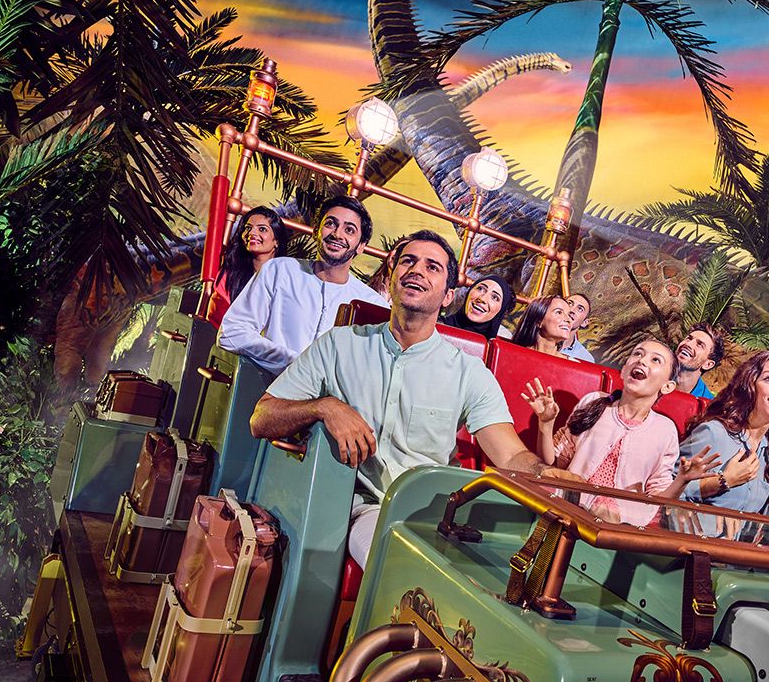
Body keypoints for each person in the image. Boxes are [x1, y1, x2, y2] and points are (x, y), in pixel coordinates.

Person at [250, 229, 557, 567]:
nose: (417, 270)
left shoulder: (469, 372)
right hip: (368, 511)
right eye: (408, 261)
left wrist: (547, 474)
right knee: (398, 567)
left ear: (447, 296)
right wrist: (325, 406)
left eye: (432, 267)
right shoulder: (339, 344)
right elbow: (261, 419)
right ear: (393, 276)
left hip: (438, 517)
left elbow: (510, 454)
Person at [520, 338, 685, 526]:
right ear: (623, 371)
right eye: (638, 353)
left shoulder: (665, 429)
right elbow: (552, 463)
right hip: (568, 508)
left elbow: (659, 500)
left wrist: (683, 480)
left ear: (668, 386)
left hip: (619, 526)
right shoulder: (594, 402)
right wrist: (546, 423)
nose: (642, 360)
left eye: (656, 360)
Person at [219, 195, 388, 375]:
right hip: (268, 393)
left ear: (361, 246)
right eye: (330, 224)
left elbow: (375, 370)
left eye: (349, 230)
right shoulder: (280, 271)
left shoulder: (373, 305)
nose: (337, 234)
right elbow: (231, 333)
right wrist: (294, 362)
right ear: (316, 231)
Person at [676, 350, 769, 529]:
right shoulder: (714, 432)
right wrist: (724, 481)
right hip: (687, 548)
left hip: (735, 553)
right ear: (749, 384)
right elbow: (665, 491)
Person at [208, 206, 290, 324]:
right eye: (248, 228)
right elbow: (218, 318)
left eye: (262, 229)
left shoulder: (288, 278)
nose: (251, 233)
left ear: (276, 241)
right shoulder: (230, 275)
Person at [442, 276, 515, 340]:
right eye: (481, 289)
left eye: (495, 297)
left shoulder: (500, 344)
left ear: (501, 311)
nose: (483, 298)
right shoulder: (438, 324)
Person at [509, 293, 576, 357]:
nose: (569, 320)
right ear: (539, 322)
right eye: (559, 312)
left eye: (569, 315)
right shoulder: (512, 354)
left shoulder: (573, 365)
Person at [673, 324, 724, 398]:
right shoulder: (653, 377)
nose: (688, 344)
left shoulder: (707, 407)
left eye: (700, 345)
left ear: (708, 364)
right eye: (689, 339)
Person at [558, 292, 596, 362]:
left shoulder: (586, 359)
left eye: (580, 309)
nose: (572, 310)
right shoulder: (538, 339)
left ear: (584, 323)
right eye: (570, 304)